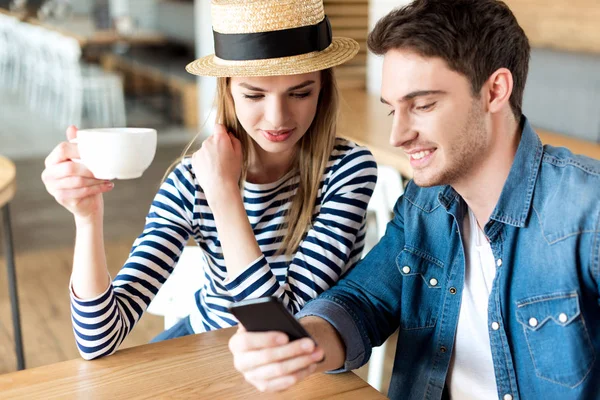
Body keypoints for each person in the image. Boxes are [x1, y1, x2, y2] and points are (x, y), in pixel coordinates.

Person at [227, 0, 600, 399]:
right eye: (393, 110)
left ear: (495, 91)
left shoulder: (586, 212)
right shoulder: (424, 203)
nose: (398, 135)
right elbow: (363, 301)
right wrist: (304, 345)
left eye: (422, 105)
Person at [41, 0, 377, 359]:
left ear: (323, 89)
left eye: (300, 92)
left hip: (294, 369)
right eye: (254, 94)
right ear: (228, 90)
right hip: (205, 349)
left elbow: (281, 333)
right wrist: (87, 217)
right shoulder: (190, 181)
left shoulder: (349, 170)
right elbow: (98, 340)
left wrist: (224, 194)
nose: (278, 118)